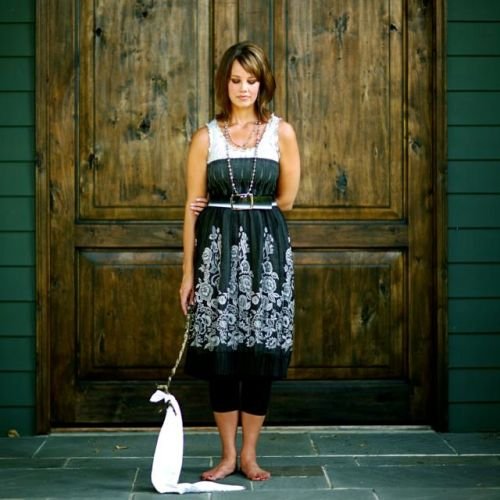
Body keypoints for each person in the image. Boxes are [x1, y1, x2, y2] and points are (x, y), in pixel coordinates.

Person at [179, 41, 300, 482]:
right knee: (222, 355)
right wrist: (188, 274)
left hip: (267, 253)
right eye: (235, 80)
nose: (243, 88)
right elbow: (192, 207)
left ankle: (250, 455)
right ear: (224, 83)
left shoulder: (281, 133)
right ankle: (228, 455)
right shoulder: (205, 137)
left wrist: (249, 212)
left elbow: (287, 199)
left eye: (251, 80)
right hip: (216, 254)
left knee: (260, 354)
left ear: (263, 83)